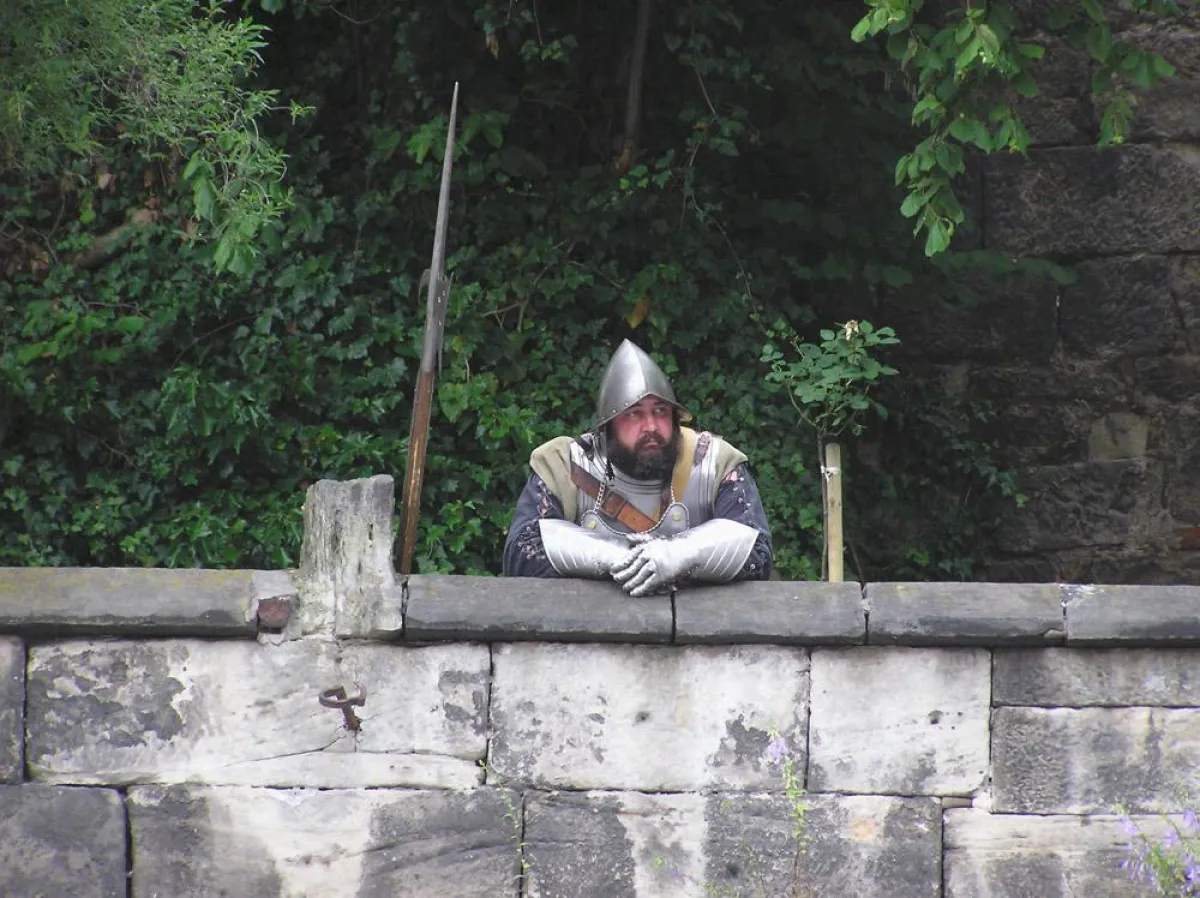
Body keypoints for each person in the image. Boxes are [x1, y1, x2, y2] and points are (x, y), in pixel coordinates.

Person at [503, 339, 773, 595]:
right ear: (607, 427)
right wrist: (613, 557)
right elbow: (522, 552)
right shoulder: (565, 465)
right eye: (634, 413)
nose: (651, 427)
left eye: (660, 411)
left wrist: (678, 555)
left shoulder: (714, 463)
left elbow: (756, 553)